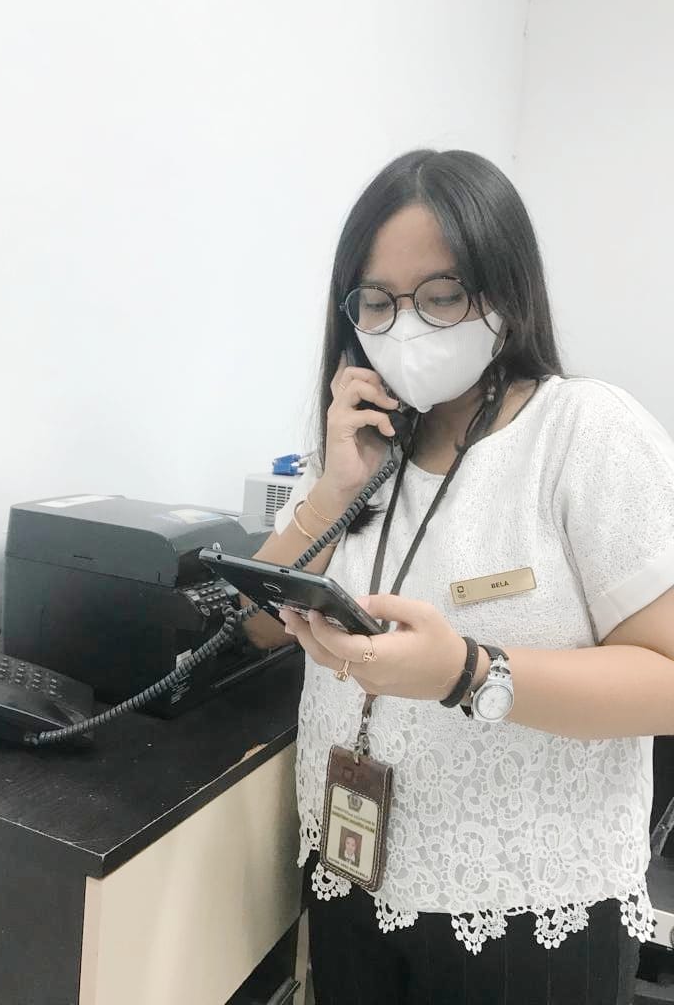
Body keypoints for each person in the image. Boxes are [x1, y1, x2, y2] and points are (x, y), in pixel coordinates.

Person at [244, 149, 674, 1005]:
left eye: (440, 295)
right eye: (377, 301)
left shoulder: (585, 431)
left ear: (505, 293)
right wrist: (333, 488)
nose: (405, 326)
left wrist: (469, 673)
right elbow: (255, 623)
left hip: (527, 906)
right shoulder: (366, 445)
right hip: (355, 873)